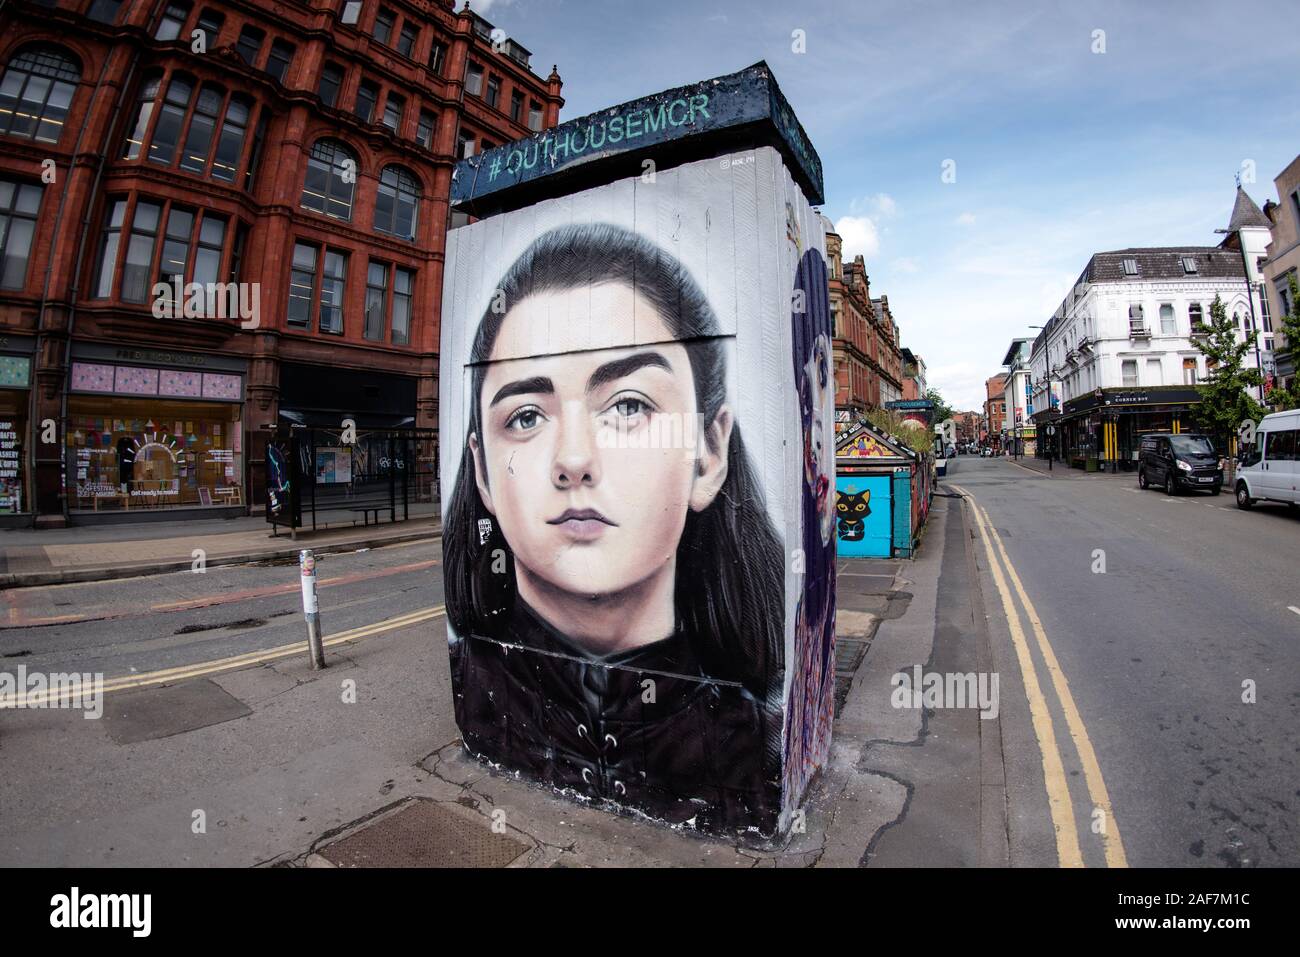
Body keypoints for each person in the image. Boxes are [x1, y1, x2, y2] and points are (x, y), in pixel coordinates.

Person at [443, 222, 786, 832]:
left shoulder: (760, 753)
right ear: (484, 475)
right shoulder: (471, 691)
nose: (574, 460)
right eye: (525, 416)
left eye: (629, 405)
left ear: (708, 453)